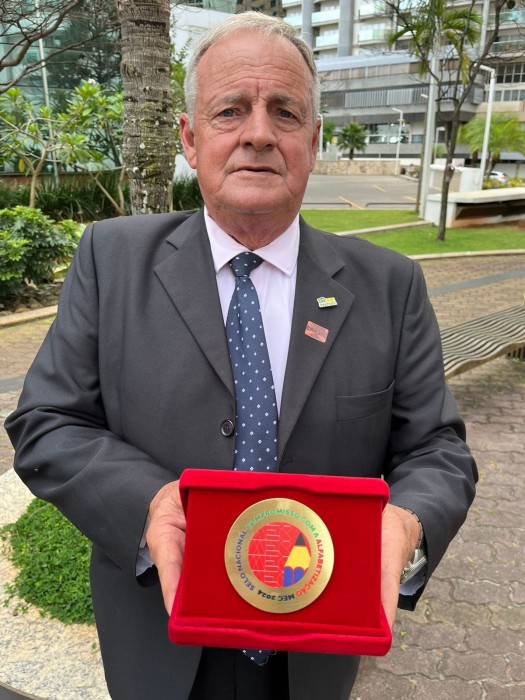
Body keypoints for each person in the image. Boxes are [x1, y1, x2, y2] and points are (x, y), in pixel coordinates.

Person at [5, 12, 477, 700]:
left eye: (284, 112)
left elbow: (436, 449)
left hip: (315, 649)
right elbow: (47, 420)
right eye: (230, 110)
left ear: (313, 141)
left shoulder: (389, 285)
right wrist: (151, 506)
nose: (258, 133)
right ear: (190, 139)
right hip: (157, 635)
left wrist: (406, 522)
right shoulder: (111, 259)